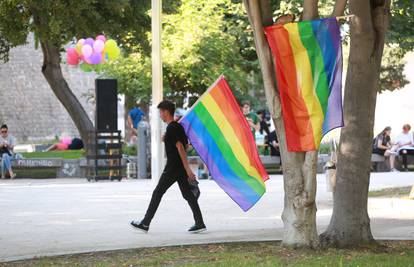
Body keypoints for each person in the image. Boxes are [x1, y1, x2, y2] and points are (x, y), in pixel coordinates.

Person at [130, 100, 206, 234]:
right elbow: (186, 145)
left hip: (173, 167)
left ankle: (145, 223)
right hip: (179, 167)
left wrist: (188, 169)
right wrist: (167, 138)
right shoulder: (177, 126)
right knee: (188, 195)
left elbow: (181, 148)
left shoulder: (172, 127)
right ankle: (199, 223)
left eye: (160, 112)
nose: (160, 115)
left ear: (166, 112)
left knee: (157, 192)